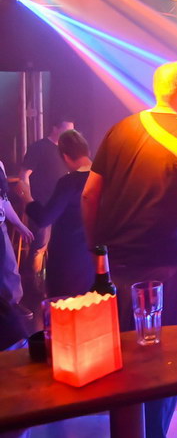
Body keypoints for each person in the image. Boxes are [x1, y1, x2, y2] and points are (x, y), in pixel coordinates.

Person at [81, 61, 177, 438]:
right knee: (159, 365)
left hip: (115, 267)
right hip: (164, 271)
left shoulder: (119, 130)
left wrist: (98, 252)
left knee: (118, 363)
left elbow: (89, 196)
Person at [19, 130, 95, 298]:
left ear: (65, 157)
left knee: (64, 307)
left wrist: (27, 197)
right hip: (96, 258)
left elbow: (44, 218)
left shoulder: (69, 182)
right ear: (87, 151)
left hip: (69, 259)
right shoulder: (104, 177)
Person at [19, 117, 74, 291]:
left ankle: (51, 282)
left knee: (59, 244)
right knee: (40, 245)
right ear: (55, 128)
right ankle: (34, 285)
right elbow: (24, 174)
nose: (70, 134)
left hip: (61, 205)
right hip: (42, 204)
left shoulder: (66, 150)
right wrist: (28, 198)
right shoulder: (39, 147)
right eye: (66, 129)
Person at [0, 161, 33, 312]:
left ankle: (13, 306)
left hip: (1, 226)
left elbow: (4, 200)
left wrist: (19, 225)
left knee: (10, 269)